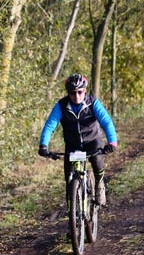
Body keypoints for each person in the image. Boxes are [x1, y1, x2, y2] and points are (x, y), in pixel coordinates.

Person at [38, 73, 118, 205]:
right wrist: (43, 145)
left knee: (97, 161)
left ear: (85, 91)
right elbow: (50, 125)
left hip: (92, 140)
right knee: (69, 178)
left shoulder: (92, 103)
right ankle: (72, 209)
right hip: (72, 144)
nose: (77, 96)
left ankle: (99, 184)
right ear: (68, 93)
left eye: (80, 92)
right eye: (73, 93)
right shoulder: (61, 106)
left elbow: (106, 122)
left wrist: (112, 142)